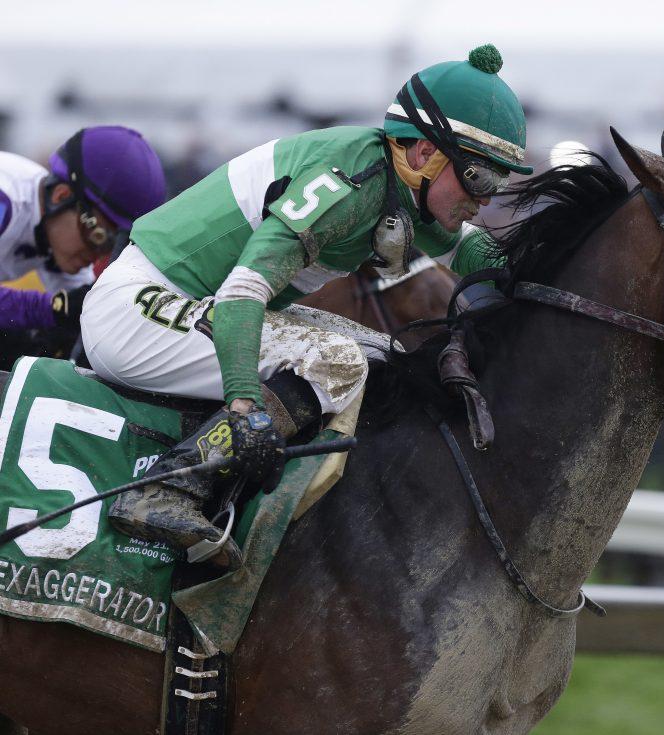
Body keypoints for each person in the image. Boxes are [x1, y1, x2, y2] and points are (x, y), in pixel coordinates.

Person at [81, 44, 530, 568]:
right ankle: (169, 489)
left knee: (386, 355)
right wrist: (244, 404)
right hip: (139, 307)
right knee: (338, 360)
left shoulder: (399, 182)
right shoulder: (348, 182)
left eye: (499, 181)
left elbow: (470, 249)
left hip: (192, 304)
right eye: (479, 177)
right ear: (422, 154)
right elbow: (243, 293)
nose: (485, 197)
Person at [0, 127, 166, 340]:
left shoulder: (56, 231)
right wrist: (51, 310)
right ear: (61, 196)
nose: (98, 255)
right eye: (100, 237)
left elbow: (87, 317)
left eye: (113, 246)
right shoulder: (7, 201)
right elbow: (58, 310)